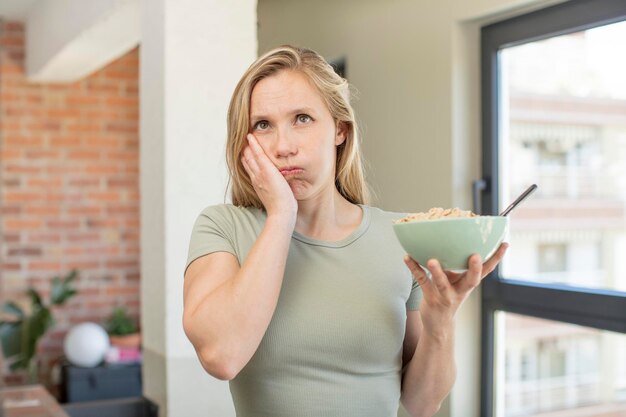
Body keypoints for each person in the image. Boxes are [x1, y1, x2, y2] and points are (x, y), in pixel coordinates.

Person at [183, 45, 508, 417]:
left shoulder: (402, 236)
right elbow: (221, 357)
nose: (283, 146)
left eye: (302, 118)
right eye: (262, 125)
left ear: (339, 129)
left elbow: (421, 404)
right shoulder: (222, 227)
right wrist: (281, 216)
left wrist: (440, 324)